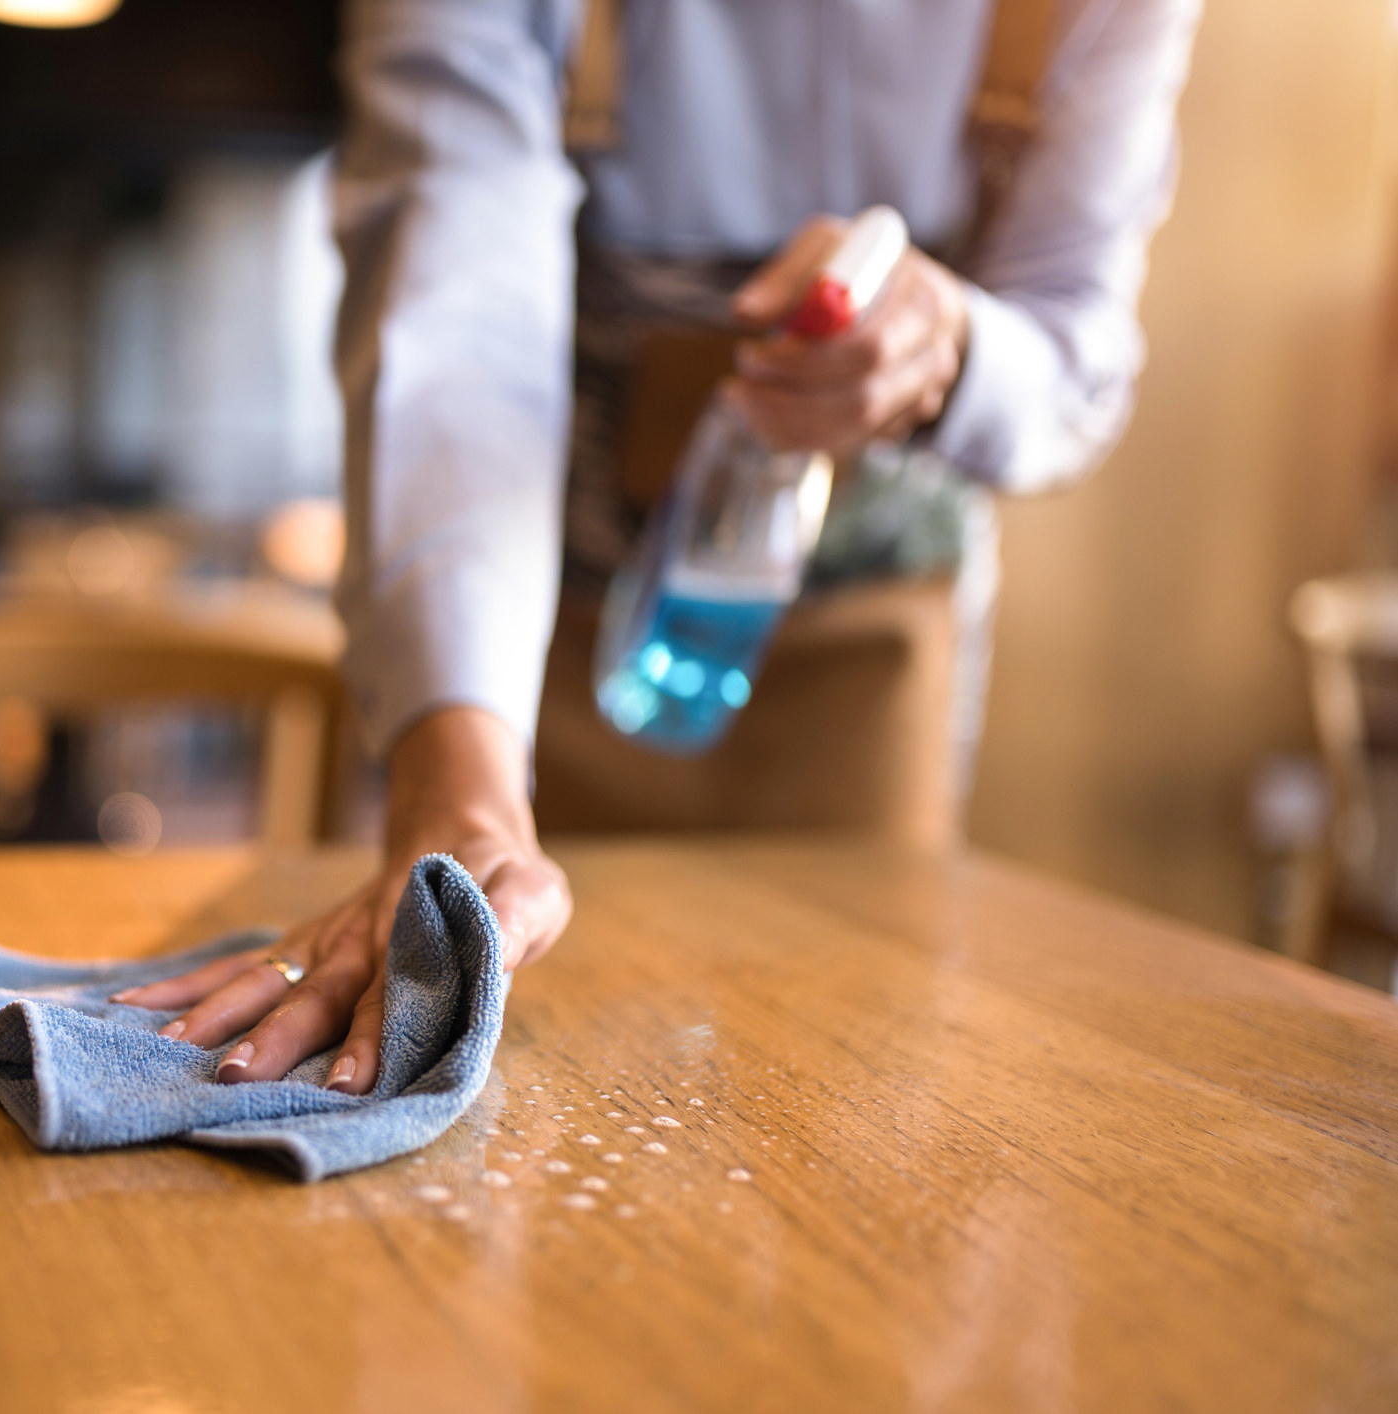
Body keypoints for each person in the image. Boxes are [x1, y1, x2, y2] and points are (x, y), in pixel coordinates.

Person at [116, 0, 1202, 1089]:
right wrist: (463, 792)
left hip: (877, 666)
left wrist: (952, 344)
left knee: (856, 1092)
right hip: (539, 661)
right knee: (549, 1101)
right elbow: (457, 301)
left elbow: (1077, 351)